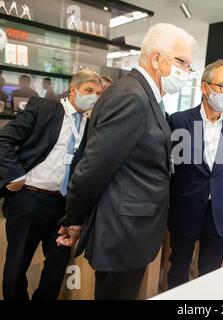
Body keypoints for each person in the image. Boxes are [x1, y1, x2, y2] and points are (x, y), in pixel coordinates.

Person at [56, 23, 196, 300]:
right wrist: (74, 219)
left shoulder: (143, 95)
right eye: (181, 61)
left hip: (130, 231)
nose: (186, 71)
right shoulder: (132, 96)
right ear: (156, 58)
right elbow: (93, 168)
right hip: (124, 233)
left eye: (189, 65)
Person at [0, 69, 103, 300]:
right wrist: (14, 175)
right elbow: (4, 140)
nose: (94, 97)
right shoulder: (43, 109)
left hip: (64, 207)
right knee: (16, 268)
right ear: (73, 90)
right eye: (89, 91)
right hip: (28, 199)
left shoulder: (93, 124)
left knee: (56, 268)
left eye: (98, 93)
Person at [167, 60, 223, 289]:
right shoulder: (179, 121)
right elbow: (170, 171)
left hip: (219, 215)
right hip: (185, 211)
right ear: (205, 88)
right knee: (178, 271)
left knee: (211, 276)